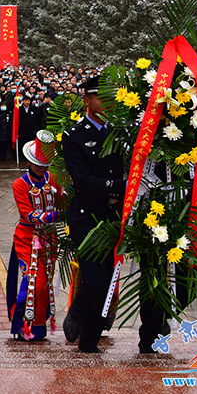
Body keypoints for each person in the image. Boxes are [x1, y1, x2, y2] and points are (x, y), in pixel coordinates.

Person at [61, 75, 126, 353]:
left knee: (106, 283)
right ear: (87, 100)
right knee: (94, 280)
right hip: (87, 217)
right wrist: (120, 186)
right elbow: (83, 181)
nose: (108, 103)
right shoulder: (75, 136)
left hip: (113, 217)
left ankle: (89, 343)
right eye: (101, 97)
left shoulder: (121, 133)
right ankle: (76, 311)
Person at [7, 130, 61, 340]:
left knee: (44, 284)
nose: (42, 168)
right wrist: (58, 214)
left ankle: (38, 328)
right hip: (27, 239)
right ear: (29, 163)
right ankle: (21, 324)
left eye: (45, 165)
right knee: (32, 283)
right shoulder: (20, 184)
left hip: (50, 239)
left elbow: (62, 200)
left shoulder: (54, 178)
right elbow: (28, 215)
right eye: (38, 164)